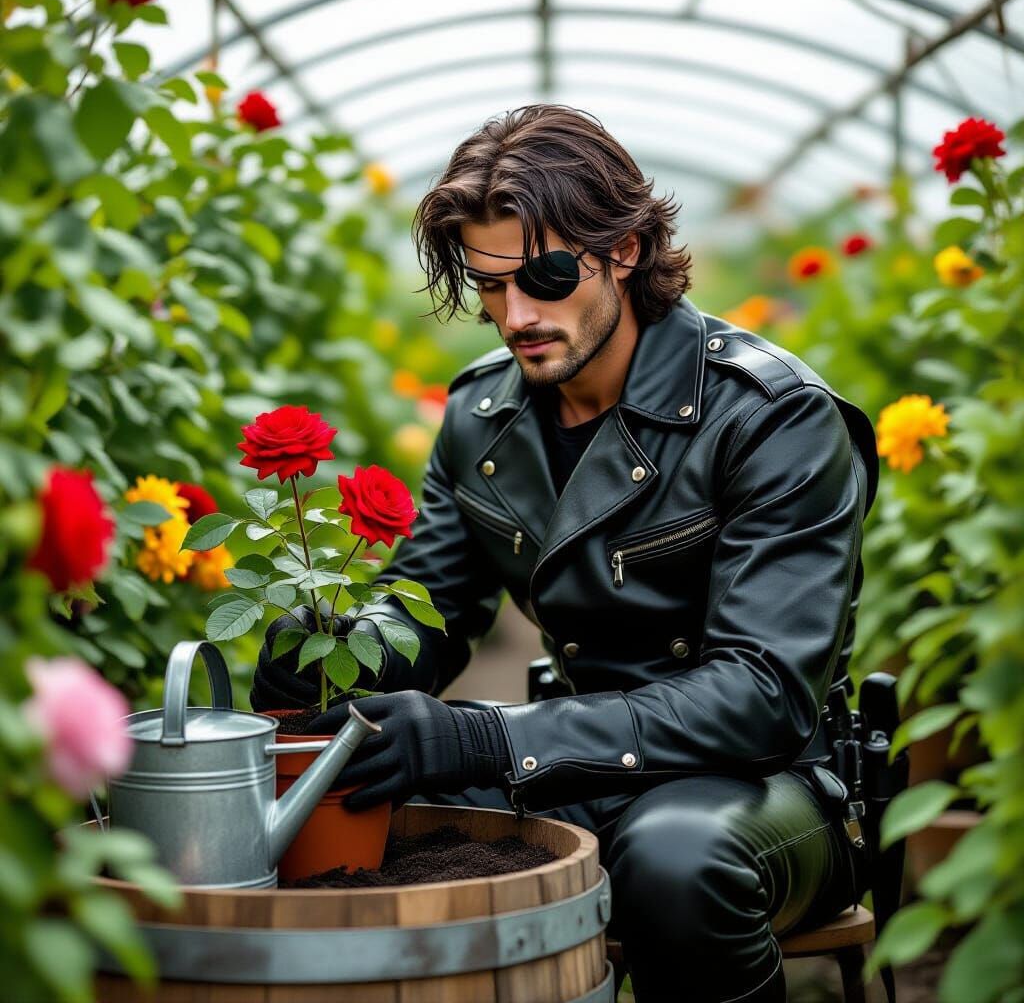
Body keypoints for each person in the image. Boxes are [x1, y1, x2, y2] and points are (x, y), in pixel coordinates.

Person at [251, 104, 879, 1002]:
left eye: (543, 276)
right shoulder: (480, 415)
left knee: (673, 859)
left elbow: (763, 695)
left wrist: (484, 736)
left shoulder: (770, 416)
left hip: (763, 786)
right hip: (578, 764)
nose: (516, 315)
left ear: (623, 248)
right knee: (356, 827)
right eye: (490, 285)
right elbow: (431, 598)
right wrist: (335, 648)